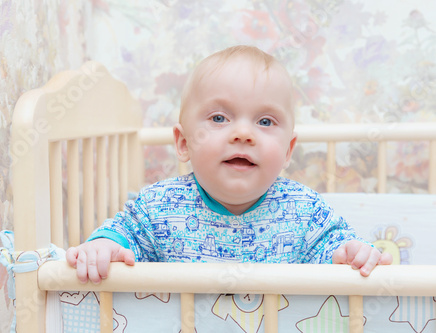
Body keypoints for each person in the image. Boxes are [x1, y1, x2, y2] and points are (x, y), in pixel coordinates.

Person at [66, 45, 392, 284]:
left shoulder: (304, 210)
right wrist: (105, 245)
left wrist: (350, 252)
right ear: (184, 143)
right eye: (219, 118)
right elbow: (126, 234)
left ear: (289, 149)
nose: (243, 134)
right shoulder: (159, 206)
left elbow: (332, 247)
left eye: (265, 121)